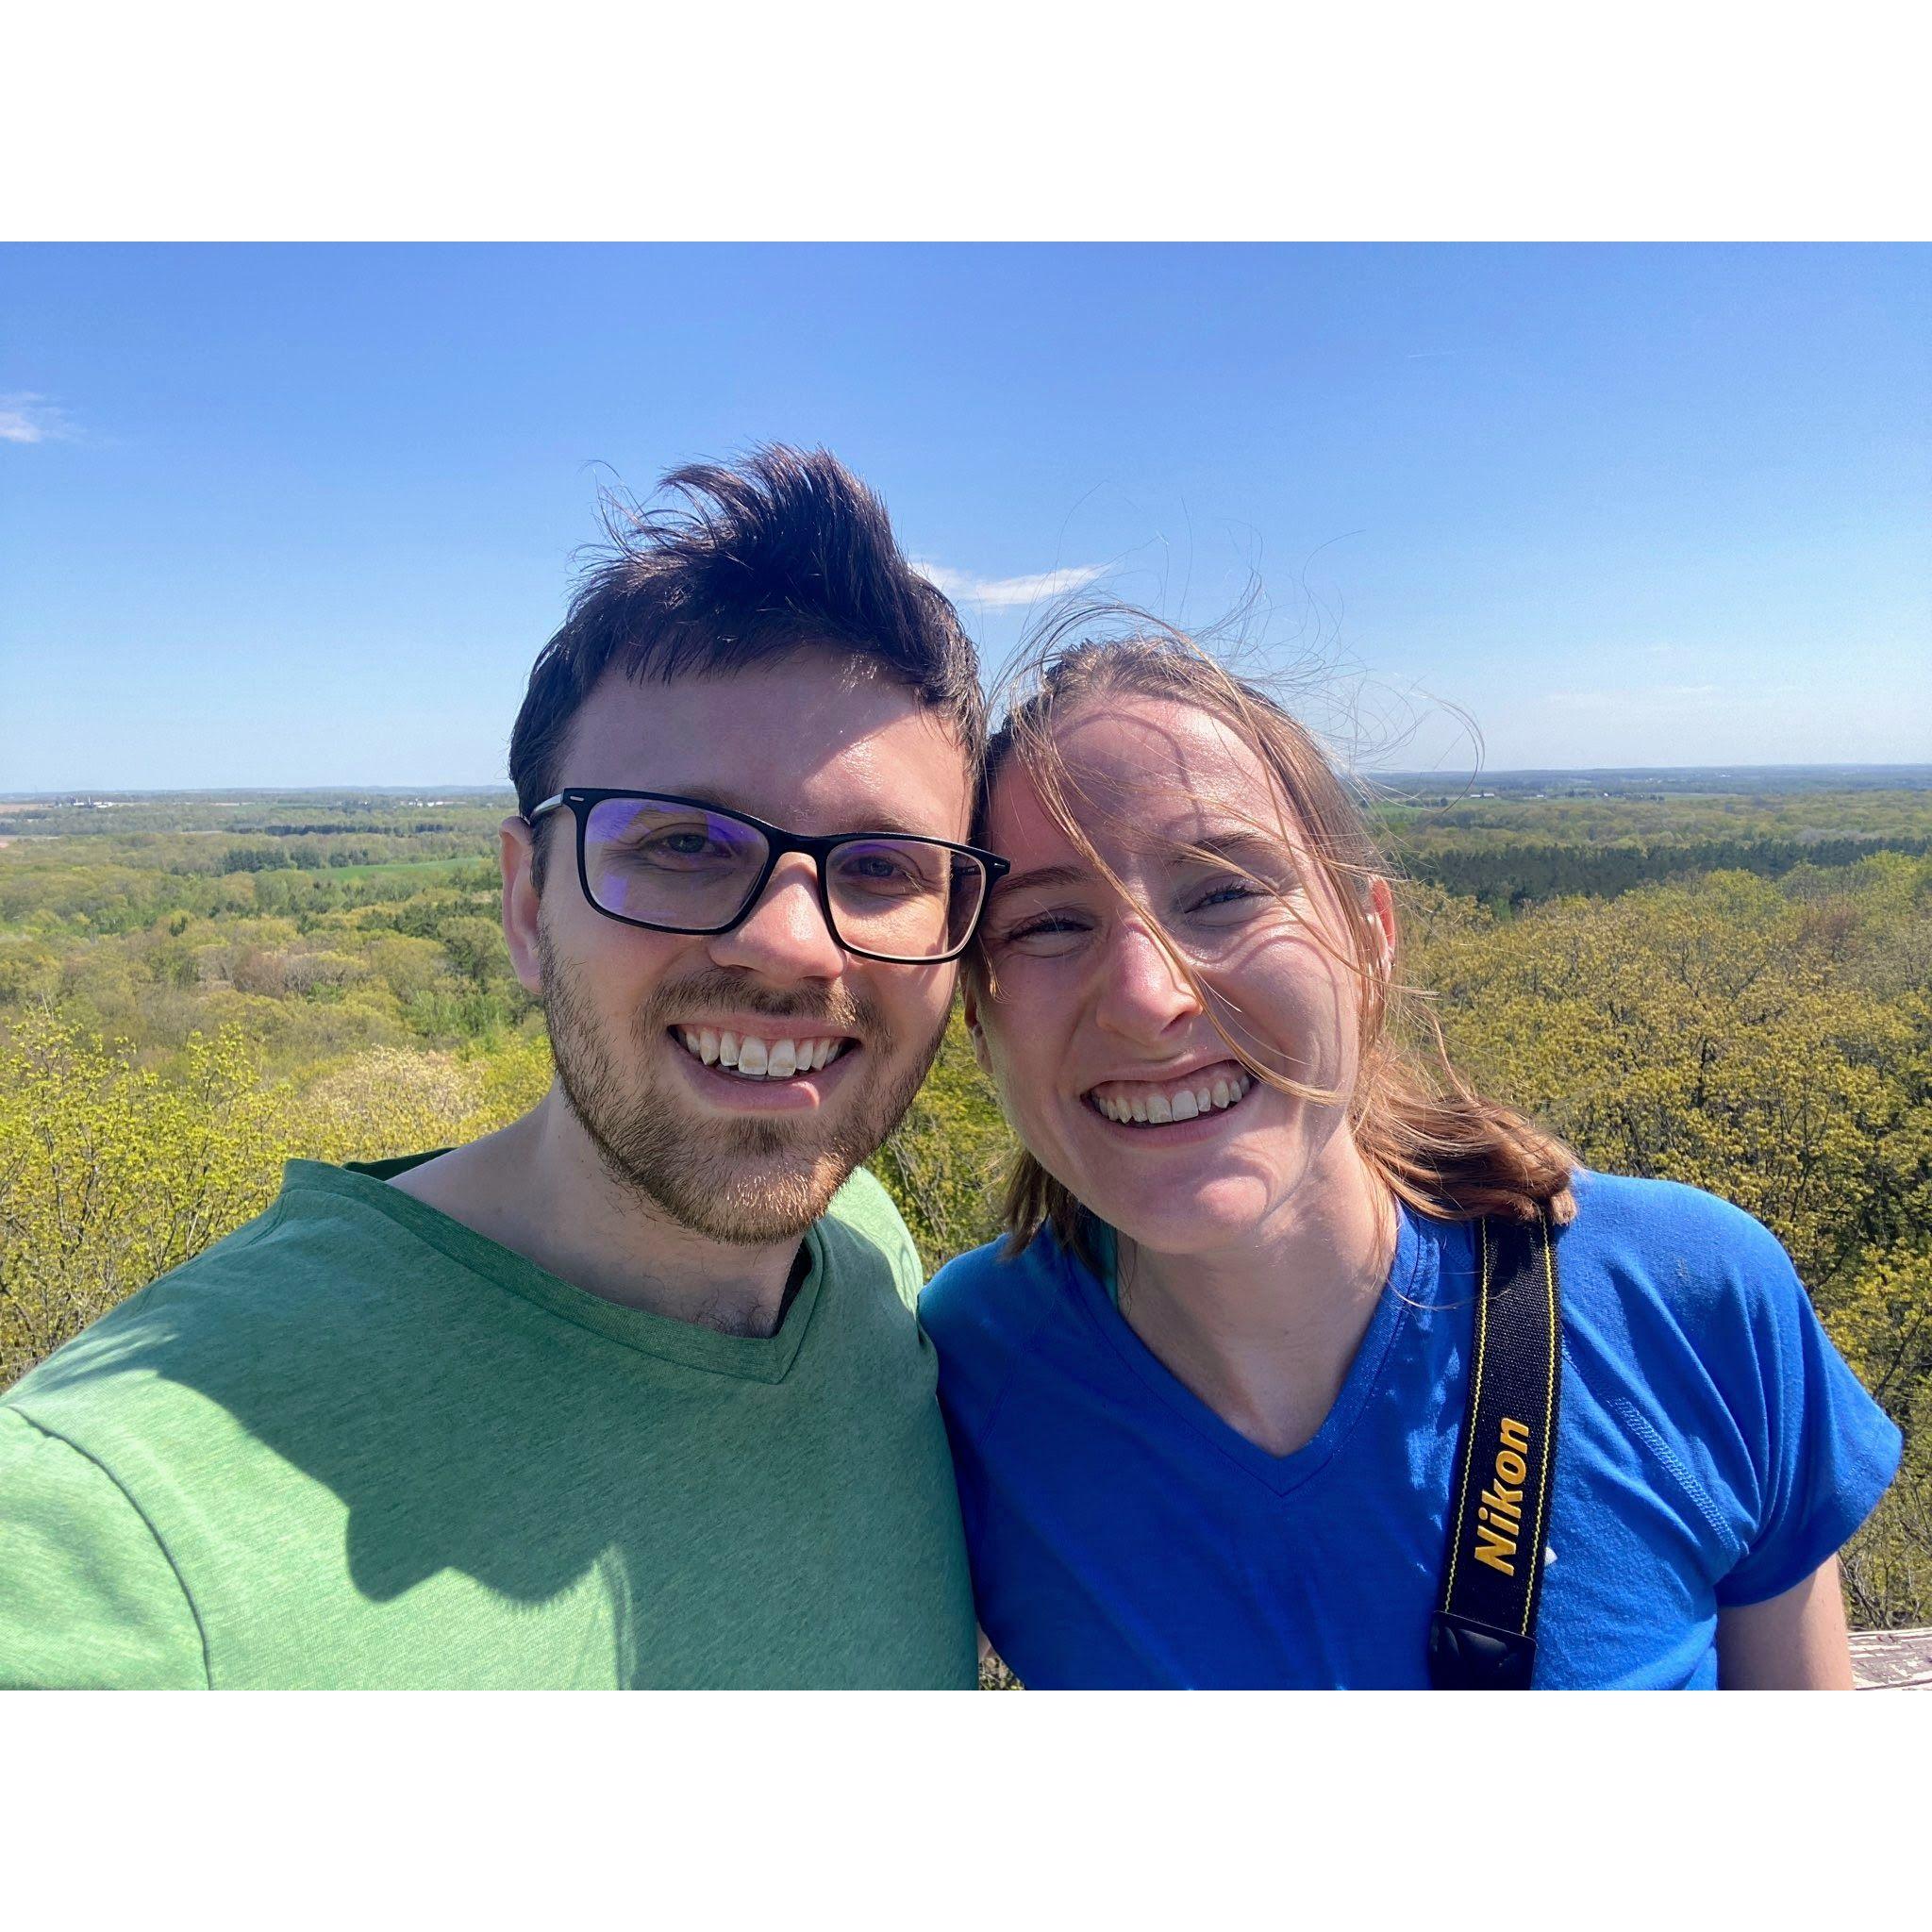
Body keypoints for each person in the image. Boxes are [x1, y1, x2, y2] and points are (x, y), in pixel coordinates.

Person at [0, 446, 1001, 1689]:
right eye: (683, 841)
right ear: (528, 906)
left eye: (883, 867)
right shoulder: (119, 1522)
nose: (790, 943)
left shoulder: (868, 1261)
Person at [920, 625, 1901, 1689]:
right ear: (977, 1014)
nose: (1149, 995)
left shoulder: (1684, 1300)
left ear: (1368, 939)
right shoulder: (958, 1380)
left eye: (1220, 891)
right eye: (1049, 924)